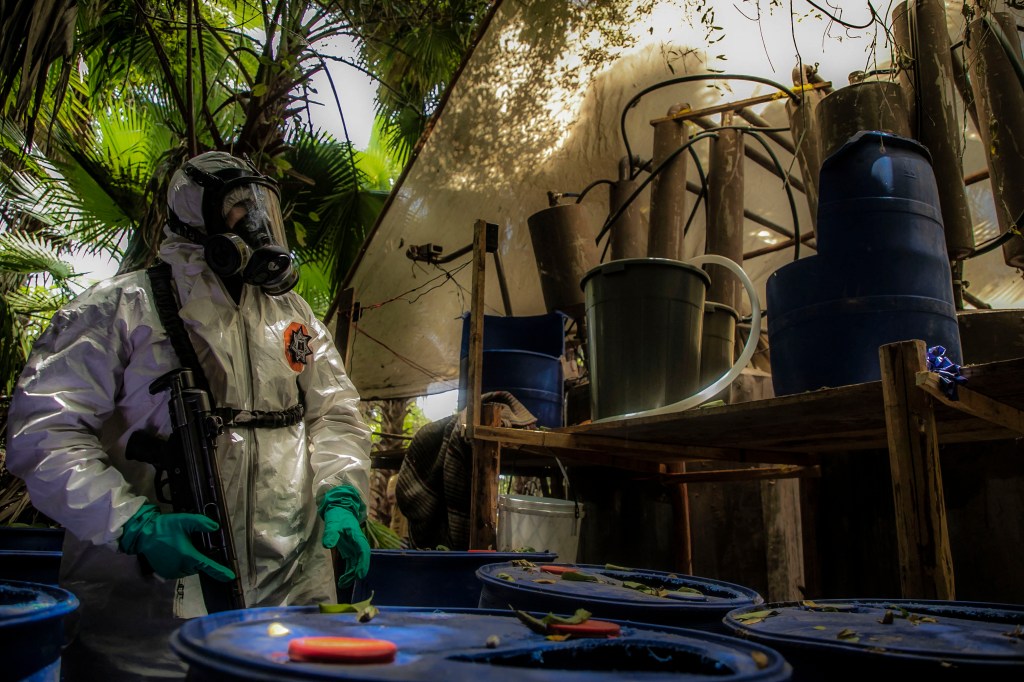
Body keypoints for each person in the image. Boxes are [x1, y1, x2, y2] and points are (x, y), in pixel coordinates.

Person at [6, 151, 372, 680]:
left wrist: (343, 494)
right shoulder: (118, 308)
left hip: (288, 598)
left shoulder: (294, 318)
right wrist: (131, 523)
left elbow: (335, 415)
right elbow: (45, 435)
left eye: (263, 209)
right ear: (194, 214)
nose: (258, 225)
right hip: (150, 617)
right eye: (238, 211)